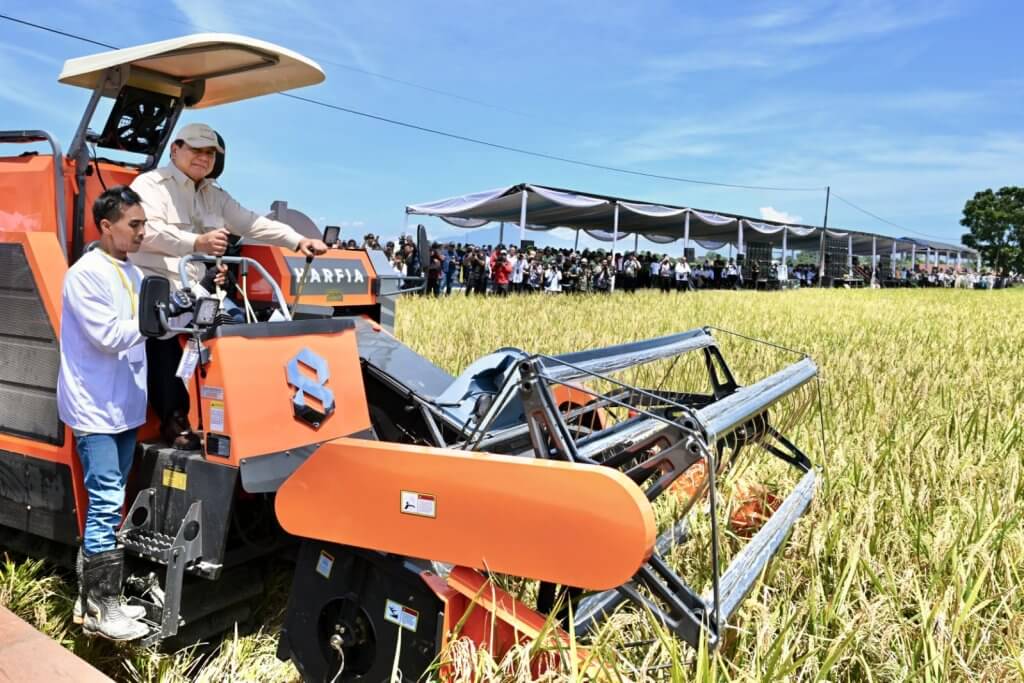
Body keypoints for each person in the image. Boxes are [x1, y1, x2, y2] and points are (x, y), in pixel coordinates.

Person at [129, 123, 327, 449]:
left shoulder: (214, 195)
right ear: (175, 149)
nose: (203, 158)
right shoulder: (149, 186)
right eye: (195, 149)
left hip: (199, 288)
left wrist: (298, 240)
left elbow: (251, 223)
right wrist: (197, 242)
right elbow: (144, 233)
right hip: (156, 286)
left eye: (210, 153)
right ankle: (174, 417)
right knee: (165, 335)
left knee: (237, 323)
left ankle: (244, 411)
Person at [57, 186, 150, 641]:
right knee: (106, 502)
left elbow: (143, 329)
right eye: (134, 224)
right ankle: (102, 608)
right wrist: (156, 322)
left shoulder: (132, 272)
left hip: (125, 404)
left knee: (110, 503)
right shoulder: (86, 274)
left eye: (143, 223)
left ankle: (92, 600)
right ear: (107, 225)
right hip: (94, 406)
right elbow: (108, 336)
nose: (141, 232)